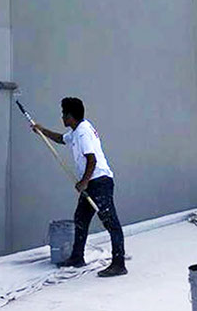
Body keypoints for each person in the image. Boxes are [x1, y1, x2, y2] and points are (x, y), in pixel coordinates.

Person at [32, 97, 127, 278]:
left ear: (70, 116)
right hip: (91, 182)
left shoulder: (83, 132)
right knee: (80, 218)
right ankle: (77, 257)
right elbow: (61, 139)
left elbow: (92, 160)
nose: (62, 117)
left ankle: (119, 263)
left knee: (110, 221)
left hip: (100, 182)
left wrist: (84, 182)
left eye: (63, 114)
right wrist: (42, 131)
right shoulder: (76, 131)